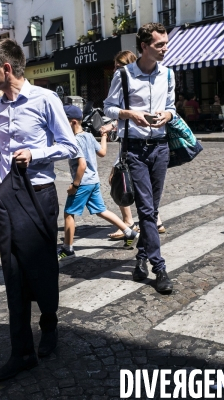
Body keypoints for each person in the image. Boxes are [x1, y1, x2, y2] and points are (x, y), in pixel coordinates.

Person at [0, 39, 78, 381]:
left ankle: (49, 323)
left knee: (41, 265)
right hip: (7, 199)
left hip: (38, 194)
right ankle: (21, 351)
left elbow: (69, 144)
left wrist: (35, 155)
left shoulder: (45, 99)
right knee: (12, 273)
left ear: (6, 68)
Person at [104, 22, 176, 293]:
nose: (165, 48)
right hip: (134, 148)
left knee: (152, 210)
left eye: (166, 43)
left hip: (160, 148)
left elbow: (171, 108)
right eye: (159, 45)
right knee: (146, 210)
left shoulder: (168, 74)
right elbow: (108, 108)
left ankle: (141, 257)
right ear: (144, 46)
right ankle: (159, 268)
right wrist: (130, 113)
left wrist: (167, 116)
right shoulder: (124, 75)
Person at [58, 105, 139, 260]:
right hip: (93, 181)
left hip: (83, 183)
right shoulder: (88, 136)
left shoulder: (74, 141)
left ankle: (67, 249)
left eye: (64, 121)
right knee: (101, 210)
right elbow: (102, 153)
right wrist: (104, 135)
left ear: (73, 122)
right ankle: (129, 232)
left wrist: (74, 185)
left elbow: (82, 165)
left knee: (69, 213)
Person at [100, 50, 165, 240]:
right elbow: (124, 112)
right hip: (129, 138)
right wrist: (113, 124)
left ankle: (129, 222)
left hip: (132, 142)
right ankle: (155, 219)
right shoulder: (121, 82)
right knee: (128, 181)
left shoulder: (130, 81)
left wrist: (117, 121)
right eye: (115, 66)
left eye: (119, 66)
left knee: (118, 179)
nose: (115, 70)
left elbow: (133, 112)